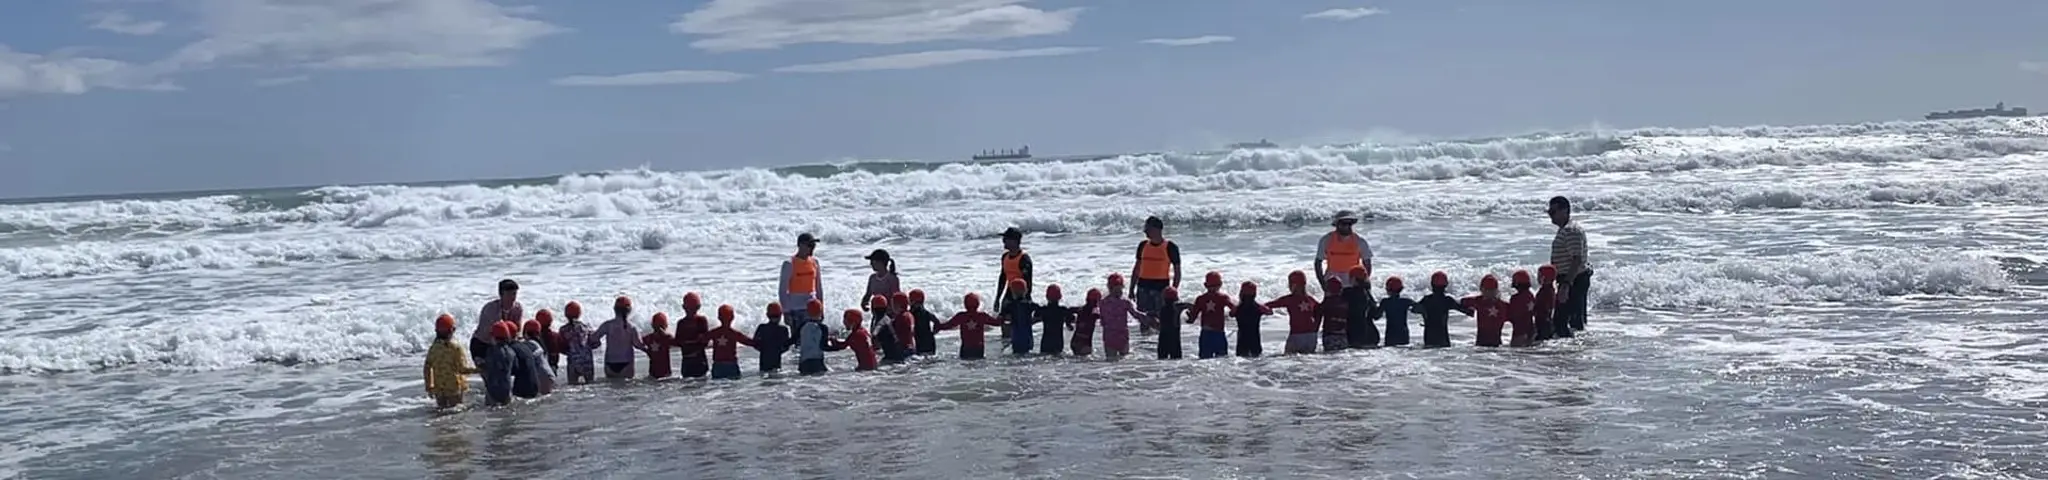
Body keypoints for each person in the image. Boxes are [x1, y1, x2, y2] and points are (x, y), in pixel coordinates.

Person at [1130, 216, 1182, 335]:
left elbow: (1177, 272)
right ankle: (1145, 346)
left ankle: (1160, 343)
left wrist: (1173, 291)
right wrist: (1132, 289)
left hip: (1161, 288)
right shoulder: (1143, 245)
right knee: (1144, 320)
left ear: (1157, 229)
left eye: (1147, 228)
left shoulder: (1170, 247)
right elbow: (1137, 268)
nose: (1145, 231)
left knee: (1161, 320)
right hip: (1143, 287)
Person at [1548, 196, 1591, 335]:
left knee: (1562, 322)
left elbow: (1577, 260)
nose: (1550, 215)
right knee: (1572, 321)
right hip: (1572, 279)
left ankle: (1570, 353)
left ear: (1564, 210)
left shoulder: (1571, 230)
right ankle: (1574, 351)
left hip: (1573, 280)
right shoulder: (1566, 229)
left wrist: (1566, 284)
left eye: (1553, 211)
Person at [423, 314, 477, 409]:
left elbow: (427, 367)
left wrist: (429, 386)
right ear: (452, 330)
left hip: (438, 388)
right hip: (454, 387)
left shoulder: (434, 347)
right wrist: (479, 369)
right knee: (456, 414)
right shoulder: (455, 348)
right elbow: (462, 369)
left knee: (441, 412)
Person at [780, 233, 826, 335]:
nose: (812, 248)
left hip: (813, 309)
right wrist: (786, 311)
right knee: (798, 341)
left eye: (813, 245)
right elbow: (782, 290)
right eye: (809, 245)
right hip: (796, 309)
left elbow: (818, 287)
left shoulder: (815, 262)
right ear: (800, 245)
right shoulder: (789, 264)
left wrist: (821, 307)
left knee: (814, 339)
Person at [471, 279, 525, 366]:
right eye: (508, 295)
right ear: (501, 295)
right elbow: (493, 335)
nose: (512, 298)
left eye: (514, 294)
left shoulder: (517, 308)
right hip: (482, 344)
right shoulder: (490, 309)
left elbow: (517, 331)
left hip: (504, 344)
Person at [1314, 211, 1374, 289]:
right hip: (1332, 279)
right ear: (1337, 225)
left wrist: (1364, 281)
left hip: (1353, 280)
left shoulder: (1360, 241)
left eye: (1349, 224)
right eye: (1344, 224)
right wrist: (1322, 283)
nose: (1347, 227)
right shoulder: (1326, 240)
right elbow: (1318, 263)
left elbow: (1367, 263)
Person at [1411, 272, 1470, 348]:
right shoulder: (1447, 300)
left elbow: (1414, 309)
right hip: (1443, 340)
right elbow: (1466, 310)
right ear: (1446, 285)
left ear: (1432, 284)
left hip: (1429, 340)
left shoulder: (1426, 300)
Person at [591, 297, 645, 379]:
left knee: (612, 390)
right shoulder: (632, 327)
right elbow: (638, 345)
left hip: (610, 363)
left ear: (614, 309)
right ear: (629, 310)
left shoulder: (607, 325)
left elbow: (594, 338)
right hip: (626, 363)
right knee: (627, 390)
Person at [938, 293, 1003, 360]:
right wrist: (1002, 316)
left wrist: (937, 326)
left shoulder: (961, 316)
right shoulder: (982, 316)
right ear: (978, 304)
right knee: (979, 363)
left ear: (965, 304)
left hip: (966, 348)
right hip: (979, 348)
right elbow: (997, 323)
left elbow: (948, 325)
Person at [995, 227, 1034, 340]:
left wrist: (1025, 301)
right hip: (1008, 294)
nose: (1003, 241)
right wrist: (998, 298)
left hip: (1021, 295)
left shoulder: (1024, 259)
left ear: (1014, 241)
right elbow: (1003, 277)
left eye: (1006, 239)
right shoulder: (1005, 257)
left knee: (1020, 326)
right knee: (1004, 324)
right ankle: (1006, 345)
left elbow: (1028, 282)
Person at [702, 305, 758, 380]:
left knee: (717, 389)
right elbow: (748, 341)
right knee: (733, 388)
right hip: (731, 364)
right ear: (732, 318)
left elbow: (702, 340)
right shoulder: (734, 333)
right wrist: (760, 342)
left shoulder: (714, 332)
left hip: (718, 365)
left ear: (719, 318)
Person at [1097, 274, 1146, 359]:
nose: (1119, 291)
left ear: (1109, 287)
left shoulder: (1103, 303)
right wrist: (1148, 318)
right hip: (1122, 336)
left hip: (1109, 336)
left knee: (1110, 361)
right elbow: (1136, 314)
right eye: (1118, 288)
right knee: (1125, 360)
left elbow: (1100, 318)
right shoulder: (1125, 302)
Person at [1189, 272, 1234, 359]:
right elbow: (1234, 309)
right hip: (1219, 333)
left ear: (1205, 285)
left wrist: (1188, 317)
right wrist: (1231, 315)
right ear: (1220, 284)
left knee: (1204, 360)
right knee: (1222, 359)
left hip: (1205, 334)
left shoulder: (1200, 299)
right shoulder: (1223, 297)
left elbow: (1192, 319)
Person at [1461, 274, 1509, 347]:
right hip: (1497, 345)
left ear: (1482, 289)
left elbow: (1463, 301)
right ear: (1496, 290)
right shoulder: (1503, 305)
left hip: (1481, 345)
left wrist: (1469, 310)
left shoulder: (1478, 301)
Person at [511, 320, 554, 398]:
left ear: (525, 332)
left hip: (541, 376)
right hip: (549, 374)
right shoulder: (540, 343)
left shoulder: (528, 344)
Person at [673, 293, 712, 378]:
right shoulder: (700, 320)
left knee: (689, 385)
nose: (690, 310)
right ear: (699, 307)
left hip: (693, 360)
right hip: (695, 360)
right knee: (700, 386)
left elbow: (677, 342)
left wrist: (687, 342)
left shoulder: (682, 323)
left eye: (691, 307)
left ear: (683, 307)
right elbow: (705, 341)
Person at [479, 322, 517, 406]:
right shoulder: (511, 351)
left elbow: (489, 369)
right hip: (507, 389)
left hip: (493, 391)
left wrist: (481, 365)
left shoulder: (491, 351)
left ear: (494, 337)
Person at [1341, 266, 1379, 349]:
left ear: (1353, 278)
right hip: (1371, 335)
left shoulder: (1346, 293)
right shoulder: (1368, 295)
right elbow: (1376, 315)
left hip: (1353, 333)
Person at [560, 301, 597, 385]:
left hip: (573, 362)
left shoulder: (563, 330)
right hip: (587, 362)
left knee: (572, 386)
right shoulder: (586, 327)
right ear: (579, 314)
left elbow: (562, 347)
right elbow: (596, 343)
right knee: (590, 385)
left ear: (566, 315)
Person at [1000, 279, 1040, 356]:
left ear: (1013, 292)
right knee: (1027, 354)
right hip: (1027, 337)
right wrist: (1034, 320)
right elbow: (1040, 311)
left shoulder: (1010, 306)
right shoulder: (1029, 304)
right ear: (1025, 291)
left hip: (1016, 337)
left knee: (1017, 354)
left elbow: (1003, 317)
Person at [796, 300, 833, 375]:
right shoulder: (823, 328)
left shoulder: (802, 326)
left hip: (804, 363)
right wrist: (837, 346)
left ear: (807, 312)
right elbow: (824, 347)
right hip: (817, 362)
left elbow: (792, 340)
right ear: (821, 311)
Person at [1035, 285, 1073, 356]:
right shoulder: (1062, 310)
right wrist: (1068, 324)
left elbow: (1035, 316)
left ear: (1046, 297)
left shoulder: (1043, 310)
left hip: (1046, 342)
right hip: (1058, 342)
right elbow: (1071, 321)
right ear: (1060, 297)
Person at [754, 303, 791, 375]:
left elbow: (755, 344)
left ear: (767, 315)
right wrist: (777, 351)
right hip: (776, 362)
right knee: (776, 383)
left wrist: (763, 350)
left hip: (764, 363)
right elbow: (786, 347)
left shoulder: (762, 328)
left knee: (764, 382)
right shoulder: (783, 329)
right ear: (781, 315)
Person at [1377, 277, 1415, 347]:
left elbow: (1377, 316)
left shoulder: (1385, 302)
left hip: (1391, 336)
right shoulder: (1406, 301)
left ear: (1388, 289)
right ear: (1401, 289)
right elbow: (1418, 308)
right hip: (1404, 335)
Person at [1155, 287, 1191, 360]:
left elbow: (1152, 316)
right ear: (1176, 297)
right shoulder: (1179, 307)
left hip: (1163, 337)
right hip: (1174, 338)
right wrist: (1190, 316)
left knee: (1161, 359)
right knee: (1176, 360)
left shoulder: (1161, 308)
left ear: (1163, 298)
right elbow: (1191, 306)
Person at [1316, 278, 1351, 353]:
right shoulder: (1345, 302)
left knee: (1330, 355)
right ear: (1341, 289)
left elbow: (1318, 313)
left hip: (1329, 335)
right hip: (1343, 335)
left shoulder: (1327, 302)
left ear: (1328, 289)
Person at [638, 313, 675, 379]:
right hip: (665, 373)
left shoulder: (648, 338)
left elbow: (638, 343)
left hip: (653, 373)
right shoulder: (667, 338)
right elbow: (678, 343)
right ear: (665, 325)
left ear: (652, 325)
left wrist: (647, 351)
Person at [1507, 270, 1538, 347]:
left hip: (1519, 331)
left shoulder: (1515, 298)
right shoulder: (1531, 296)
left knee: (1516, 353)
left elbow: (1512, 315)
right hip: (1530, 330)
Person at [908, 290, 940, 357]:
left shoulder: (910, 314)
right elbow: (937, 322)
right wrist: (933, 332)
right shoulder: (926, 313)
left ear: (913, 301)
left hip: (919, 342)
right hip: (930, 341)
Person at [1070, 289, 1101, 357]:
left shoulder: (1080, 309)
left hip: (1075, 340)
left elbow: (1070, 310)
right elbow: (1103, 316)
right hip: (1085, 342)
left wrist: (1069, 322)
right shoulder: (1094, 313)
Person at [1534, 265, 1559, 341]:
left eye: (1539, 275)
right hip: (1547, 321)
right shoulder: (1551, 290)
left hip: (1543, 321)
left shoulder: (1545, 292)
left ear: (1545, 278)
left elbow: (1542, 307)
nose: (1537, 278)